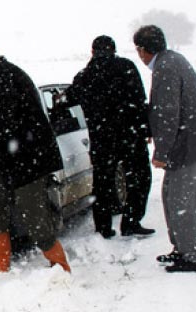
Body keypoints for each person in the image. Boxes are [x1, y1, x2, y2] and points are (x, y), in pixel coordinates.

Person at [0, 38, 71, 278]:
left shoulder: (5, 77)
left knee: (34, 218)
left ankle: (61, 269)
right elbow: (10, 125)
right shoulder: (1, 77)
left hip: (30, 159)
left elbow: (7, 122)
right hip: (12, 157)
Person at [133, 25, 196, 272]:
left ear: (142, 50)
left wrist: (161, 152)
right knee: (171, 197)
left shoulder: (165, 67)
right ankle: (181, 248)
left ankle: (194, 257)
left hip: (188, 144)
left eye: (139, 50)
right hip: (187, 141)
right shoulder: (172, 60)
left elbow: (167, 113)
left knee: (181, 202)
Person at [60, 35, 154, 239]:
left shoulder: (84, 75)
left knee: (102, 184)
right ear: (113, 50)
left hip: (101, 139)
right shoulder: (126, 67)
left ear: (93, 52)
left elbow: (67, 101)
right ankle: (131, 221)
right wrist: (146, 129)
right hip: (129, 135)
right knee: (138, 180)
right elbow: (139, 100)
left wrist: (58, 107)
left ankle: (103, 227)